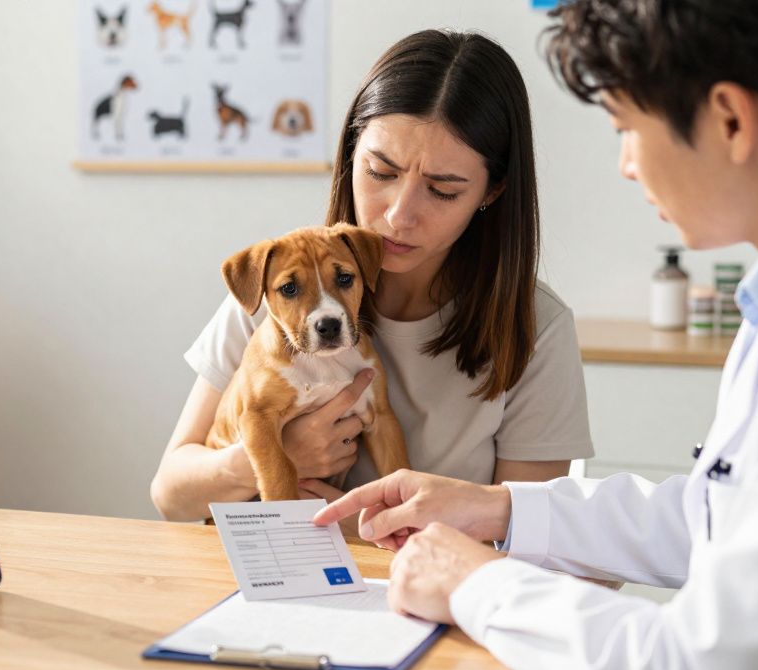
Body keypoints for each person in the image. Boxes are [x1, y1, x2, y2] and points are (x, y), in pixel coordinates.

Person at [315, 2, 758, 670]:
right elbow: (720, 516)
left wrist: (479, 584)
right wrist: (503, 510)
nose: (627, 163)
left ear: (731, 120)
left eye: (626, 128)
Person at [150, 29, 593, 529]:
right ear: (350, 155)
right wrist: (271, 458)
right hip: (264, 582)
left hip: (422, 591)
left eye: (443, 190)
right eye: (381, 172)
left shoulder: (534, 326)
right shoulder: (278, 292)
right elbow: (172, 496)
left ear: (492, 191)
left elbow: (534, 539)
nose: (400, 216)